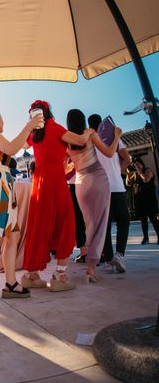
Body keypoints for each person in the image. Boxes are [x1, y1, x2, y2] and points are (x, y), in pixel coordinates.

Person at [0, 107, 42, 301]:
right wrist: (28, 126)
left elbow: (11, 148)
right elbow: (11, 149)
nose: (3, 123)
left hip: (1, 189)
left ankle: (10, 283)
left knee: (12, 237)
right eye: (2, 119)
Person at [22, 100, 90, 291]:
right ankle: (60, 276)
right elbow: (80, 141)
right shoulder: (54, 127)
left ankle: (31, 275)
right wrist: (89, 132)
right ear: (48, 112)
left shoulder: (34, 133)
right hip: (55, 181)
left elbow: (25, 146)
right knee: (65, 223)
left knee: (39, 225)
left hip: (39, 182)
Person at [67, 109, 121, 283]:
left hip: (80, 185)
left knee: (88, 225)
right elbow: (109, 152)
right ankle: (91, 268)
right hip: (98, 180)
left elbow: (65, 167)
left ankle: (87, 258)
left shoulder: (67, 140)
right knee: (99, 225)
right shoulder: (89, 133)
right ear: (83, 120)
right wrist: (117, 136)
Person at [88, 114, 131, 273]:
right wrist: (116, 170)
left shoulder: (90, 143)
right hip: (117, 186)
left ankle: (107, 259)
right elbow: (127, 159)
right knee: (123, 220)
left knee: (104, 226)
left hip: (100, 189)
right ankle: (119, 255)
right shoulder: (116, 138)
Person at [127, 157, 159, 244]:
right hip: (140, 199)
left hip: (150, 199)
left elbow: (145, 179)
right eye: (135, 164)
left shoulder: (147, 170)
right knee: (143, 220)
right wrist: (129, 173)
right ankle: (145, 238)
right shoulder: (135, 174)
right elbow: (128, 183)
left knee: (153, 219)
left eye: (138, 164)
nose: (137, 166)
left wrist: (139, 171)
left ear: (142, 164)